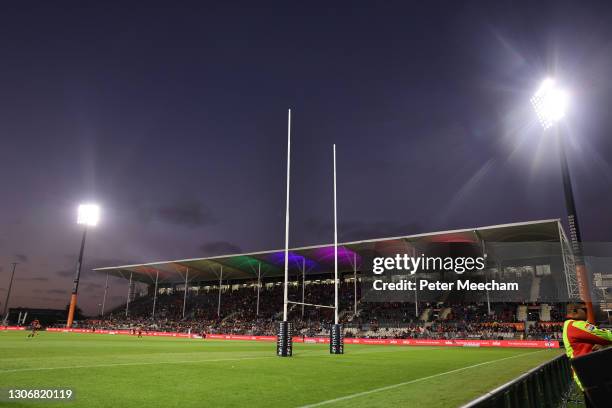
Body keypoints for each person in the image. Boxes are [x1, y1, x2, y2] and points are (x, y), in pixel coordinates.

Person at [563, 302, 612, 407]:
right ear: (575, 311)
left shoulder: (568, 326)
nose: (587, 312)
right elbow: (606, 336)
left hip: (586, 376)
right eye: (584, 310)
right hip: (591, 377)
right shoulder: (576, 325)